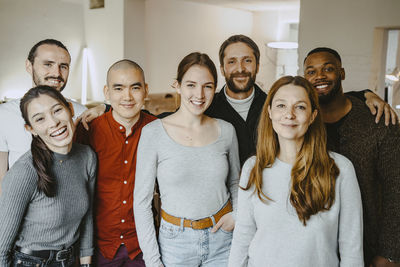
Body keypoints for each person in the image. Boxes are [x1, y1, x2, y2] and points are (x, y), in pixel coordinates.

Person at [80, 35, 396, 166]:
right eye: (232, 62)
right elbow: (158, 119)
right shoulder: (206, 106)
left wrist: (362, 95)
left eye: (247, 61)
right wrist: (104, 107)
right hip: (223, 216)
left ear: (257, 65)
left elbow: (314, 98)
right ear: (223, 68)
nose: (240, 68)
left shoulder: (277, 103)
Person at [228, 76, 363, 267]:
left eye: (300, 107)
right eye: (281, 106)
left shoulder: (340, 169)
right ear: (269, 112)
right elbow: (242, 238)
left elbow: (351, 248)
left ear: (313, 115)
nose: (289, 114)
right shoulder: (253, 168)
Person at [134, 52, 240, 267]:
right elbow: (141, 203)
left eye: (208, 86)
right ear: (177, 85)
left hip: (222, 238)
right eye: (191, 85)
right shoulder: (153, 133)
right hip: (175, 243)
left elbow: (236, 183)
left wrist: (236, 216)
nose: (199, 94)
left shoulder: (226, 131)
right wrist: (153, 262)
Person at [303, 47, 400, 267]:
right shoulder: (301, 122)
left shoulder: (378, 120)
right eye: (311, 71)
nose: (319, 76)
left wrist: (391, 252)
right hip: (315, 245)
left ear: (342, 73)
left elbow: (396, 190)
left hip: (369, 243)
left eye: (328, 69)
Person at [0, 85, 96, 267]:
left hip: (70, 261)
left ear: (71, 109)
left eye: (57, 110)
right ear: (31, 129)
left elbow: (87, 217)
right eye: (40, 119)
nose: (53, 123)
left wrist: (86, 263)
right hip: (30, 262)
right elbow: (1, 248)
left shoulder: (87, 156)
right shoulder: (24, 171)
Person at [75, 59, 156, 266]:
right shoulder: (87, 130)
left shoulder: (159, 130)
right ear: (107, 92)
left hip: (144, 245)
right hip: (99, 247)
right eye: (118, 88)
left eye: (135, 88)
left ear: (146, 90)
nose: (127, 97)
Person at [0, 39, 87, 185]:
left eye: (63, 66)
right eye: (48, 64)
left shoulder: (83, 113)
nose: (56, 73)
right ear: (29, 66)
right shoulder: (4, 114)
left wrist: (105, 107)